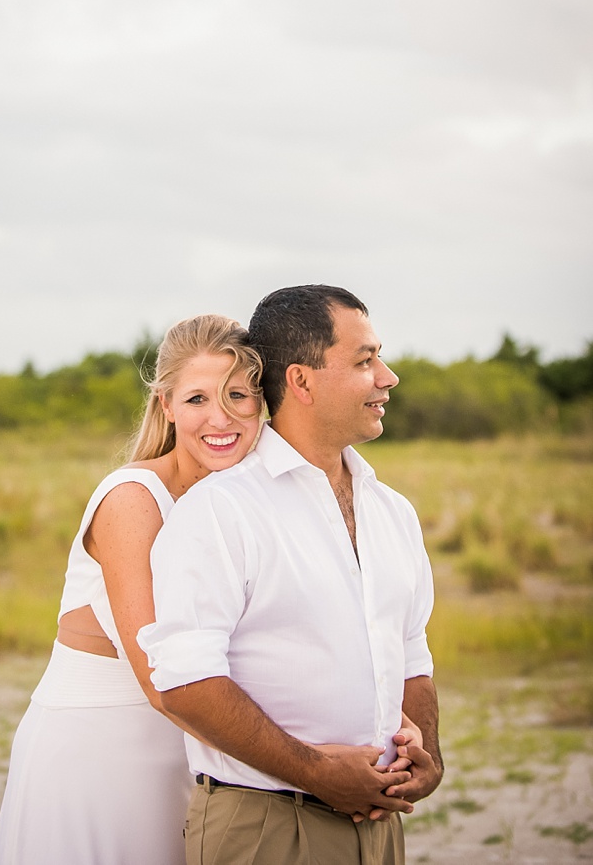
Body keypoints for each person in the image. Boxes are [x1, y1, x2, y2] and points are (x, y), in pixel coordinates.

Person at [138, 285, 444, 865]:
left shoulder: (393, 511)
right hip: (266, 826)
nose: (388, 377)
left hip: (380, 829)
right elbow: (185, 682)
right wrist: (320, 773)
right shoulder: (221, 509)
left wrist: (428, 754)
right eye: (364, 361)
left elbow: (412, 651)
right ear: (301, 382)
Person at [0, 315, 264, 865]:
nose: (221, 418)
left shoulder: (242, 505)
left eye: (238, 395)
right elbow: (160, 676)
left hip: (191, 753)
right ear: (166, 405)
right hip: (99, 755)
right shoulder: (132, 500)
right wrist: (304, 769)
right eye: (196, 400)